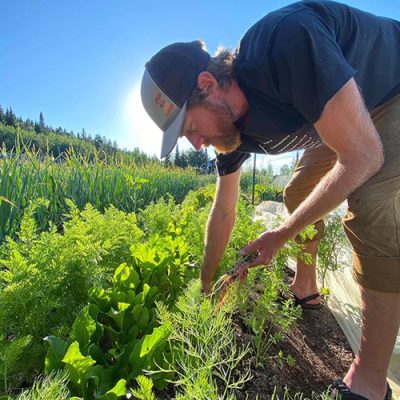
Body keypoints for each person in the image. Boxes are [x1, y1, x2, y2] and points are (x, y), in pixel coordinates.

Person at [140, 1, 400, 399]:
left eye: (190, 127)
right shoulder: (228, 132)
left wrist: (279, 234)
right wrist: (207, 289)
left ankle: (369, 382)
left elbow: (363, 155)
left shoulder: (285, 42)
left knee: (370, 204)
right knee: (298, 193)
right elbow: (224, 211)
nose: (195, 143)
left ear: (208, 85)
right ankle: (305, 286)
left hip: (389, 89)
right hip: (331, 112)